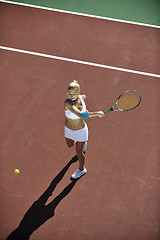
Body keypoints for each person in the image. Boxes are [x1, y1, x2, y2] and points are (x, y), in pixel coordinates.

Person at [64, 80, 104, 179]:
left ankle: (81, 170)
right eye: (70, 93)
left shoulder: (82, 98)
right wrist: (96, 113)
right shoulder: (68, 102)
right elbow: (81, 115)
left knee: (78, 152)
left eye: (74, 94)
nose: (71, 96)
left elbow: (83, 108)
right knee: (70, 145)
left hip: (81, 130)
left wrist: (86, 110)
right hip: (69, 130)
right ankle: (81, 142)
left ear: (78, 92)